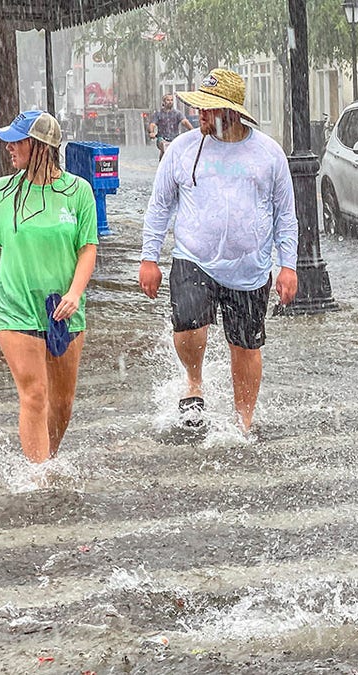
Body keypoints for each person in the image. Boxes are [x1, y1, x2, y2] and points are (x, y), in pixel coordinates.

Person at [139, 68, 298, 433]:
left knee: (245, 347)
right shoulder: (182, 149)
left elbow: (285, 215)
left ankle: (243, 421)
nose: (200, 115)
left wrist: (288, 265)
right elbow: (160, 205)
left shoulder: (268, 154)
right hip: (194, 257)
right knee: (189, 323)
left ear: (231, 112)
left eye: (209, 109)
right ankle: (194, 382)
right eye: (200, 108)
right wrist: (149, 258)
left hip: (250, 268)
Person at [0, 110, 99, 464]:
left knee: (61, 402)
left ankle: (48, 457)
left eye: (18, 141)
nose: (9, 148)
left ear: (41, 146)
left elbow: (88, 248)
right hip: (14, 307)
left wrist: (75, 293)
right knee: (34, 394)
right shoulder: (3, 192)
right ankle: (39, 476)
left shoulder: (78, 193)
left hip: (63, 310)